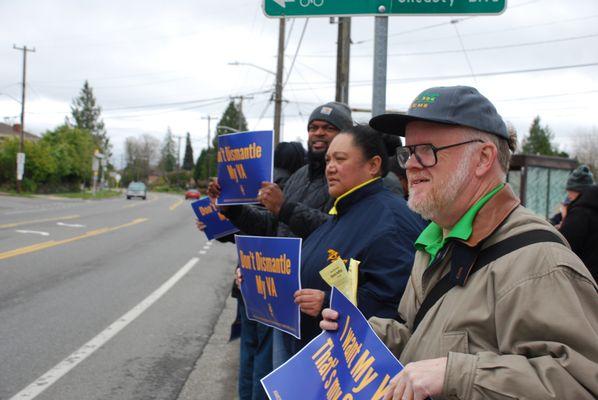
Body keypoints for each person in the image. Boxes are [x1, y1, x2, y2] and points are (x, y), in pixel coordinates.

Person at [320, 86, 598, 399]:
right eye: (408, 152)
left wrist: (455, 374)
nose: (410, 165)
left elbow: (581, 383)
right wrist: (366, 334)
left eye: (426, 150)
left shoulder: (539, 261)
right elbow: (423, 335)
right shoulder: (435, 242)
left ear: (483, 158)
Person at [208, 102, 354, 368]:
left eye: (328, 128)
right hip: (283, 296)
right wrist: (232, 209)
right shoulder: (299, 176)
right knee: (277, 379)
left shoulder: (344, 178)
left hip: (317, 302)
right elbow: (271, 226)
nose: (318, 133)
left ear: (346, 136)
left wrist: (285, 207)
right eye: (313, 127)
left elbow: (337, 230)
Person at [284, 124, 426, 356]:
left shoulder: (389, 219)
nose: (330, 167)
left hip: (354, 367)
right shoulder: (345, 210)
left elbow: (397, 305)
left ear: (373, 165)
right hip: (318, 354)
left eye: (340, 159)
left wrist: (328, 302)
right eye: (328, 160)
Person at [198, 141, 306, 400]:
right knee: (265, 356)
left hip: (246, 279)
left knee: (248, 350)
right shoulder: (282, 191)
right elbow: (265, 228)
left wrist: (214, 224)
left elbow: (243, 228)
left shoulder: (257, 185)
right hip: (273, 282)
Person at [558, 164, 598, 282]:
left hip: (586, 280)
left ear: (576, 191)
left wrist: (565, 218)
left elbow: (563, 245)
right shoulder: (592, 208)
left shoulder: (580, 213)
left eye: (569, 192)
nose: (568, 196)